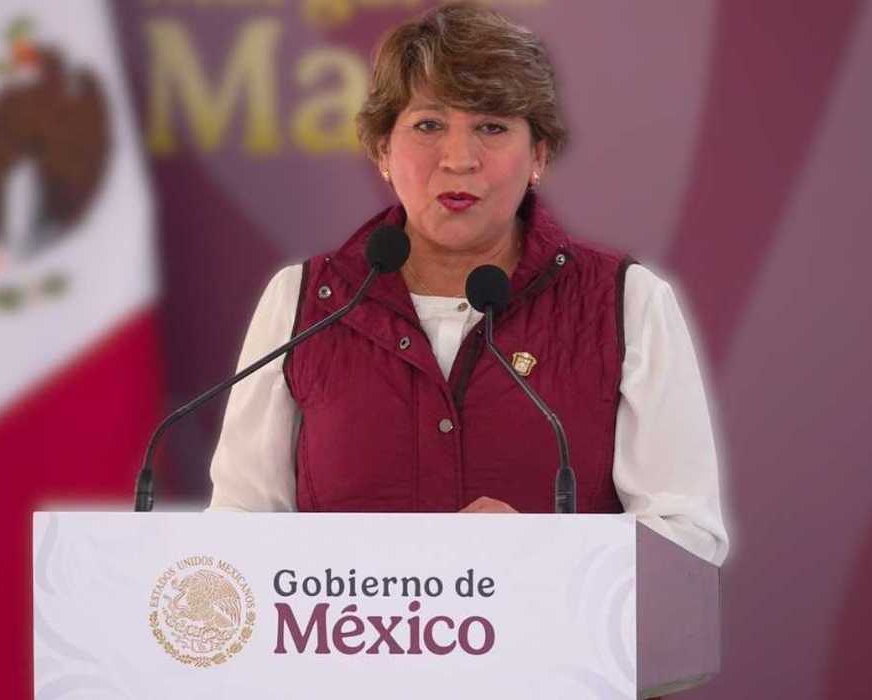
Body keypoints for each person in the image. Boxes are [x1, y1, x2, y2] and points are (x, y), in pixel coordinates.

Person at [207, 3, 728, 565]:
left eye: (492, 127)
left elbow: (688, 540)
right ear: (383, 150)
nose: (458, 159)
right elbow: (237, 530)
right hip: (348, 649)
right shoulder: (304, 302)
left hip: (550, 651)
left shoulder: (625, 301)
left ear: (539, 155)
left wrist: (548, 552)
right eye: (428, 125)